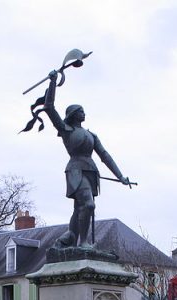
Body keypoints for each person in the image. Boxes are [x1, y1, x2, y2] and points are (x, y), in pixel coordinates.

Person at [43, 70, 132, 247]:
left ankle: (70, 237)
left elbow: (105, 156)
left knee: (79, 208)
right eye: (80, 111)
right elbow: (49, 107)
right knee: (88, 205)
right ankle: (82, 242)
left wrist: (120, 176)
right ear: (73, 114)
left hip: (91, 171)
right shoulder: (65, 130)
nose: (84, 113)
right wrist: (52, 83)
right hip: (75, 169)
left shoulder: (91, 135)